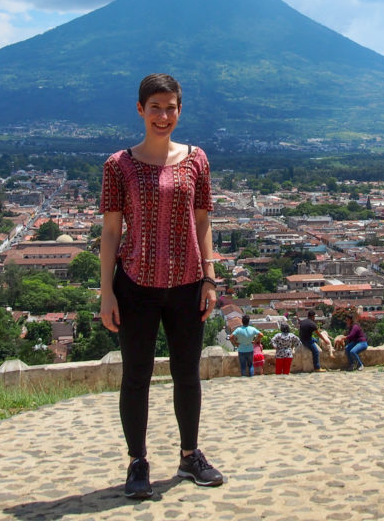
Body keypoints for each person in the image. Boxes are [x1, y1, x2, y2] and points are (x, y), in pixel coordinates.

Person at [100, 73, 224, 500]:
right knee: (136, 376)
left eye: (171, 107)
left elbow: (204, 221)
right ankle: (138, 462)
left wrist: (210, 278)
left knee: (187, 374)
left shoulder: (197, 160)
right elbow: (112, 231)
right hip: (135, 284)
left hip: (188, 283)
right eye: (155, 107)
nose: (163, 115)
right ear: (140, 110)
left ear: (180, 110)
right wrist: (106, 292)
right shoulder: (119, 165)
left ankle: (190, 455)